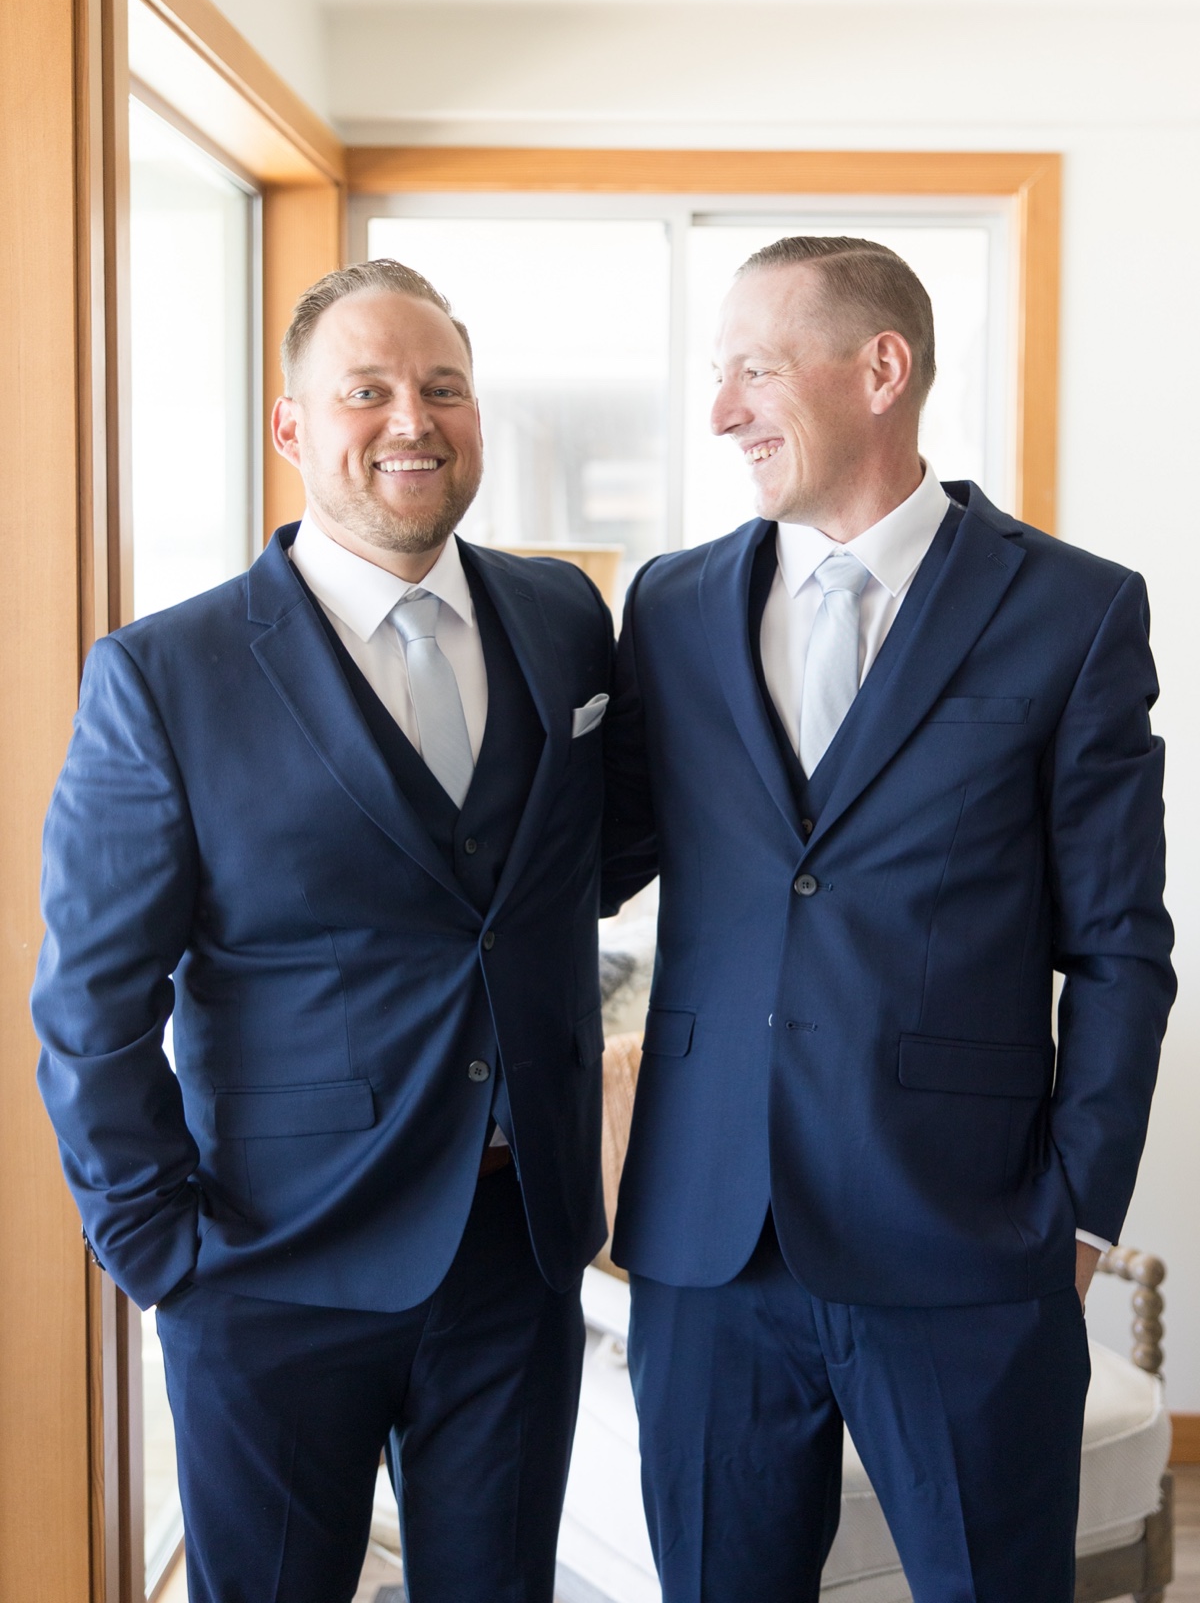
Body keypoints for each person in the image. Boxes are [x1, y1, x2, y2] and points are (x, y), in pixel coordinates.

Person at [602, 236, 1174, 1603]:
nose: (722, 409)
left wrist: (1077, 1213)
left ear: (881, 369)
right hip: (707, 1247)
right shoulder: (671, 607)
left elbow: (1118, 948)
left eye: (754, 366)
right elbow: (586, 863)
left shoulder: (1073, 611)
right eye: (715, 371)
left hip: (965, 1242)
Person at [33, 258, 613, 1603]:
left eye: (443, 388)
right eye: (367, 390)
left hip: (512, 1255)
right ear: (294, 428)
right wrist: (162, 1252)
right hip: (269, 1265)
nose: (411, 419)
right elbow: (90, 1007)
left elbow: (596, 853)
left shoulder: (564, 618)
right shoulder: (163, 675)